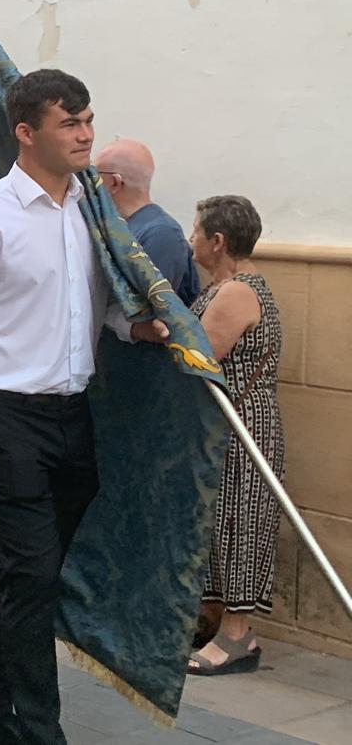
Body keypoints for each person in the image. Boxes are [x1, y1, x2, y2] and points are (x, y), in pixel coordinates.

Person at [0, 70, 167, 745]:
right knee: (33, 574)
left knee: (29, 579)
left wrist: (137, 329)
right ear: (27, 133)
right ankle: (37, 731)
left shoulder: (92, 214)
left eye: (89, 119)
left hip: (72, 418)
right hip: (4, 420)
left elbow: (92, 310)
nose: (86, 134)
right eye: (71, 123)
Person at [186, 195, 286, 676]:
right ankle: (209, 621)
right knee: (216, 522)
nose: (191, 241)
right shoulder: (226, 287)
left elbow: (197, 357)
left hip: (244, 428)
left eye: (196, 232)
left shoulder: (237, 292)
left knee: (240, 526)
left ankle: (237, 636)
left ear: (218, 241)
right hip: (225, 428)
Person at [94, 138, 200, 305]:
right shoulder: (122, 227)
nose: (91, 185)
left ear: (115, 182)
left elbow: (146, 308)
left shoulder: (162, 234)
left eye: (96, 176)